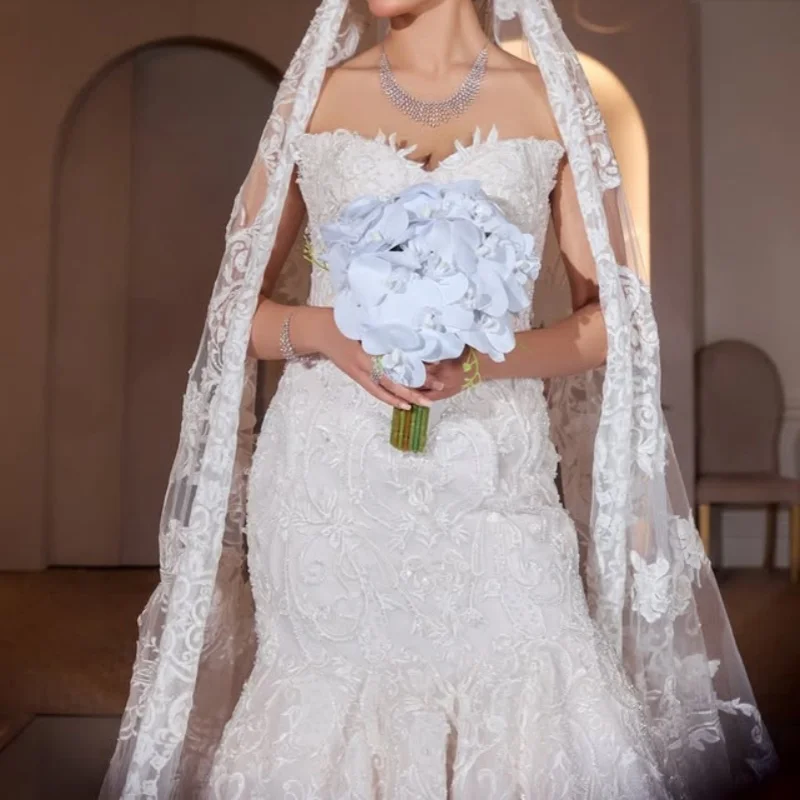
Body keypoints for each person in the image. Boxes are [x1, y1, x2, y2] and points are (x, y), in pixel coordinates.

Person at [101, 1, 779, 798]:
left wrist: (479, 364)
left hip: (491, 467)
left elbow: (609, 322)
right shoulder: (318, 95)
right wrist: (328, 331)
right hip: (331, 483)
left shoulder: (547, 99)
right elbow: (231, 314)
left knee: (536, 667)